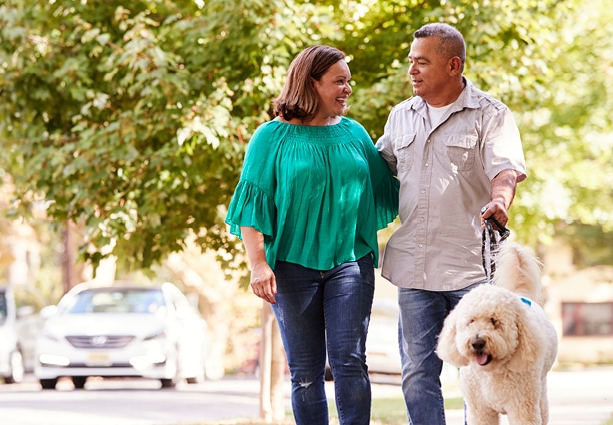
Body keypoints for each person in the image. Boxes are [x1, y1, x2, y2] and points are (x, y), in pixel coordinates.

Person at [225, 45, 399, 425]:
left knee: (350, 361)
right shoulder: (270, 138)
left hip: (350, 263)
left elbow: (391, 183)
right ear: (311, 83)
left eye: (348, 82)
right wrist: (258, 265)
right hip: (290, 267)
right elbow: (252, 206)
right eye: (339, 81)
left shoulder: (354, 134)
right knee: (305, 373)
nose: (347, 89)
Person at [375, 23, 527, 425]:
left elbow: (506, 169)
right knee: (416, 373)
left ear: (452, 65)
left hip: (470, 268)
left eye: (422, 62)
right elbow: (376, 170)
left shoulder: (490, 114)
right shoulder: (400, 116)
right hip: (414, 268)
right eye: (411, 61)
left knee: (477, 374)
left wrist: (499, 200)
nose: (412, 70)